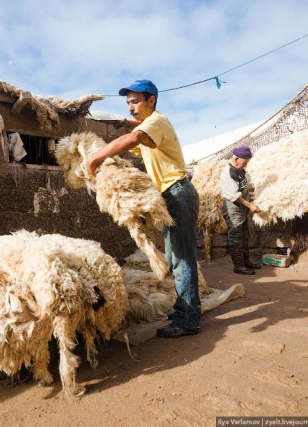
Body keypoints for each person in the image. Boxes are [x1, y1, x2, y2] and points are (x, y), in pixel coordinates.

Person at [85, 79, 200, 339]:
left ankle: (188, 319)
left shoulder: (157, 122)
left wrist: (95, 158)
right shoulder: (149, 130)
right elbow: (134, 137)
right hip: (171, 196)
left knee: (182, 259)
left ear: (152, 101)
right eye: (128, 103)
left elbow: (134, 137)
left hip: (178, 193)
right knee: (173, 257)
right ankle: (184, 309)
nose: (130, 107)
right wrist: (124, 126)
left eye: (135, 101)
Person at [219, 146, 262, 275]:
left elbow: (244, 188)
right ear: (236, 159)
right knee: (235, 237)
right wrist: (250, 205)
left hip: (242, 207)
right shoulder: (228, 173)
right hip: (233, 208)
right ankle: (238, 266)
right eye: (244, 162)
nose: (245, 165)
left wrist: (252, 197)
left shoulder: (240, 170)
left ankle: (246, 262)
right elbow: (234, 195)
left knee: (244, 235)